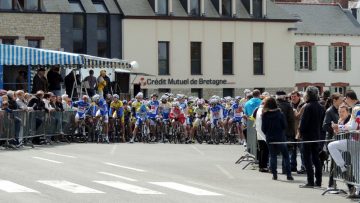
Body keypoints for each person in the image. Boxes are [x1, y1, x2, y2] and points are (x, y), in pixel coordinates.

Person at [331, 90, 360, 198]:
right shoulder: (356, 108)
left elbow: (353, 127)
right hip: (355, 140)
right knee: (357, 167)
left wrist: (339, 127)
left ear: (348, 98)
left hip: (356, 141)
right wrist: (341, 127)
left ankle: (343, 169)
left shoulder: (356, 108)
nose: (345, 102)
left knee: (332, 146)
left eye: (345, 100)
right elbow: (350, 125)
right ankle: (357, 190)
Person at [261, 97, 293, 181]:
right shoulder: (280, 114)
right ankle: (288, 175)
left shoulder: (264, 115)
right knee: (285, 156)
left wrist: (267, 134)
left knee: (273, 156)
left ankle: (274, 174)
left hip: (270, 137)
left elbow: (263, 128)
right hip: (280, 137)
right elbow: (284, 126)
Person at [299, 86, 325, 188]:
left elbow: (304, 123)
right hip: (317, 135)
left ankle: (310, 181)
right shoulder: (320, 106)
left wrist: (300, 132)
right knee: (316, 159)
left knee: (307, 159)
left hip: (308, 136)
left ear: (308, 94)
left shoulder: (308, 106)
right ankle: (318, 181)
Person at [276, 91, 296, 172]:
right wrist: (292, 132)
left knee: (273, 153)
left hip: (275, 131)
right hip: (286, 131)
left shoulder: (273, 105)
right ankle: (285, 169)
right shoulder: (288, 105)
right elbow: (291, 120)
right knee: (286, 152)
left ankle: (273, 169)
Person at [290, 90, 306, 174]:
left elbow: (299, 117)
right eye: (292, 97)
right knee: (293, 150)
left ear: (299, 96)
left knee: (302, 150)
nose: (293, 98)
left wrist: (294, 111)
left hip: (300, 131)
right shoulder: (290, 104)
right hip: (292, 131)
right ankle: (293, 166)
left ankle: (304, 167)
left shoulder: (303, 105)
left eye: (294, 96)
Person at [253, 98, 269, 173]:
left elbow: (253, 117)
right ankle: (264, 166)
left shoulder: (257, 109)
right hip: (264, 132)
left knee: (261, 149)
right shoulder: (265, 110)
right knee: (265, 150)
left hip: (258, 132)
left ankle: (261, 166)